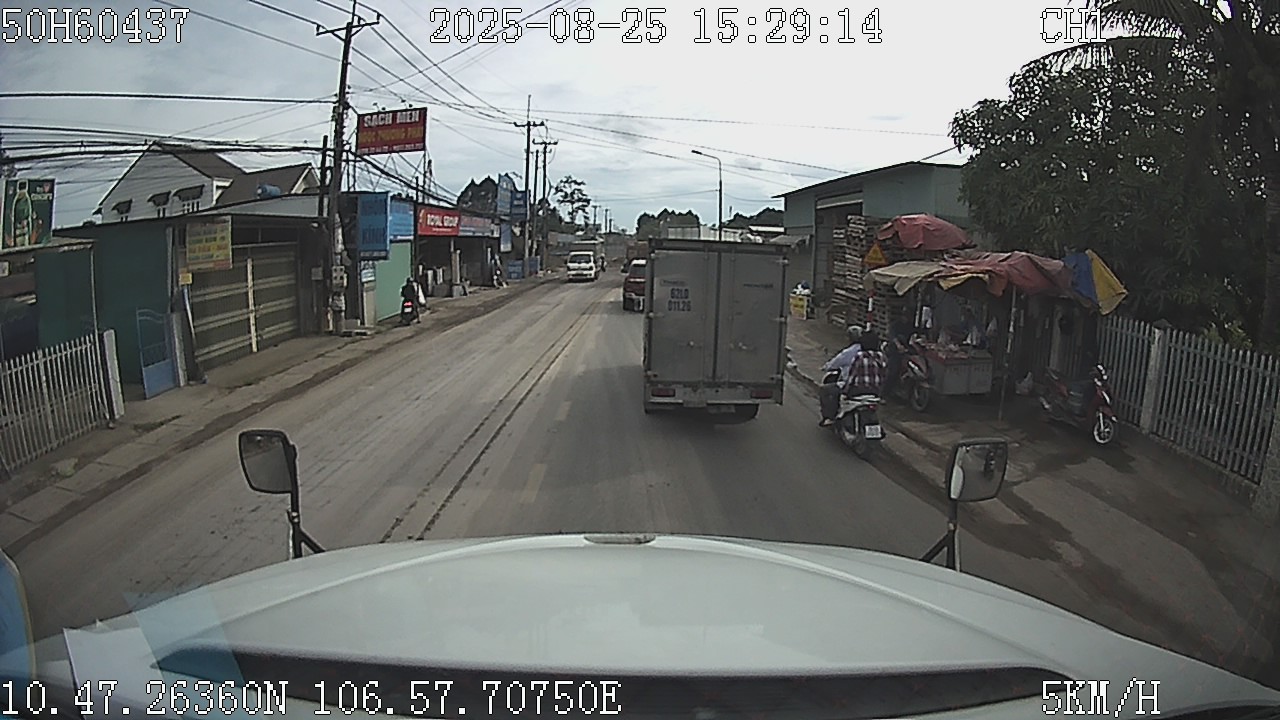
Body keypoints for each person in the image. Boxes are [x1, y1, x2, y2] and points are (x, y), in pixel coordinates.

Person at [818, 326, 863, 427]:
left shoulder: (849, 352)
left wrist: (826, 367)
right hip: (873, 389)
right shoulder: (874, 353)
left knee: (825, 390)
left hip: (851, 385)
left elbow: (834, 363)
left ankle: (829, 417)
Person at [845, 329, 888, 400]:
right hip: (876, 392)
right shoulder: (881, 356)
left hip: (859, 390)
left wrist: (845, 391)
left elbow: (852, 376)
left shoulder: (860, 356)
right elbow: (884, 374)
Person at [885, 308, 916, 394]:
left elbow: (914, 335)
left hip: (907, 350)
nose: (907, 318)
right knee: (893, 370)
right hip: (894, 350)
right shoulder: (895, 325)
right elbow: (892, 336)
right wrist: (898, 345)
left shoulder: (910, 326)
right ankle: (886, 392)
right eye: (906, 316)